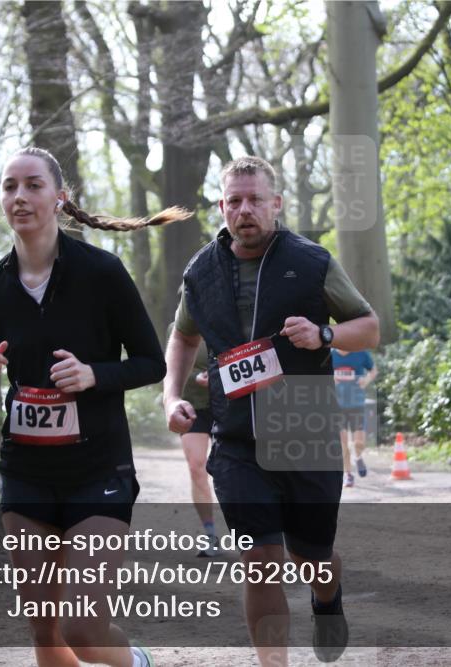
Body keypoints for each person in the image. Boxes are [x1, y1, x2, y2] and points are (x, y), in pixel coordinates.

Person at [0, 146, 189, 667]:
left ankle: (137, 662)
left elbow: (153, 363)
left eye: (33, 185)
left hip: (98, 470)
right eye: (9, 186)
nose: (19, 196)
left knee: (82, 628)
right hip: (25, 473)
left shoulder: (101, 273)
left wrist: (94, 375)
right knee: (45, 634)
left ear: (59, 198)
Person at [163, 156, 380, 666]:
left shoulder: (310, 261)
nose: (245, 210)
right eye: (234, 201)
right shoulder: (201, 272)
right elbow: (182, 336)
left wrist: (325, 334)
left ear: (276, 204)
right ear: (221, 207)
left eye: (255, 199)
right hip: (235, 436)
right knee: (259, 562)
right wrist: (171, 394)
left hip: (303, 424)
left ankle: (327, 597)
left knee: (311, 559)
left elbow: (368, 327)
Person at [167, 322, 219, 557]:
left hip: (226, 404)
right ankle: (211, 534)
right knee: (197, 466)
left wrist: (217, 377)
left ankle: (253, 536)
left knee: (235, 468)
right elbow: (171, 368)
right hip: (192, 405)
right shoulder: (176, 330)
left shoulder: (227, 321)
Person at [331, 348, 377, 488]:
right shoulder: (330, 355)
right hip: (337, 405)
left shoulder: (361, 353)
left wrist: (366, 380)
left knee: (359, 442)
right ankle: (348, 474)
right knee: (343, 441)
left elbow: (373, 370)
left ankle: (358, 457)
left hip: (356, 403)